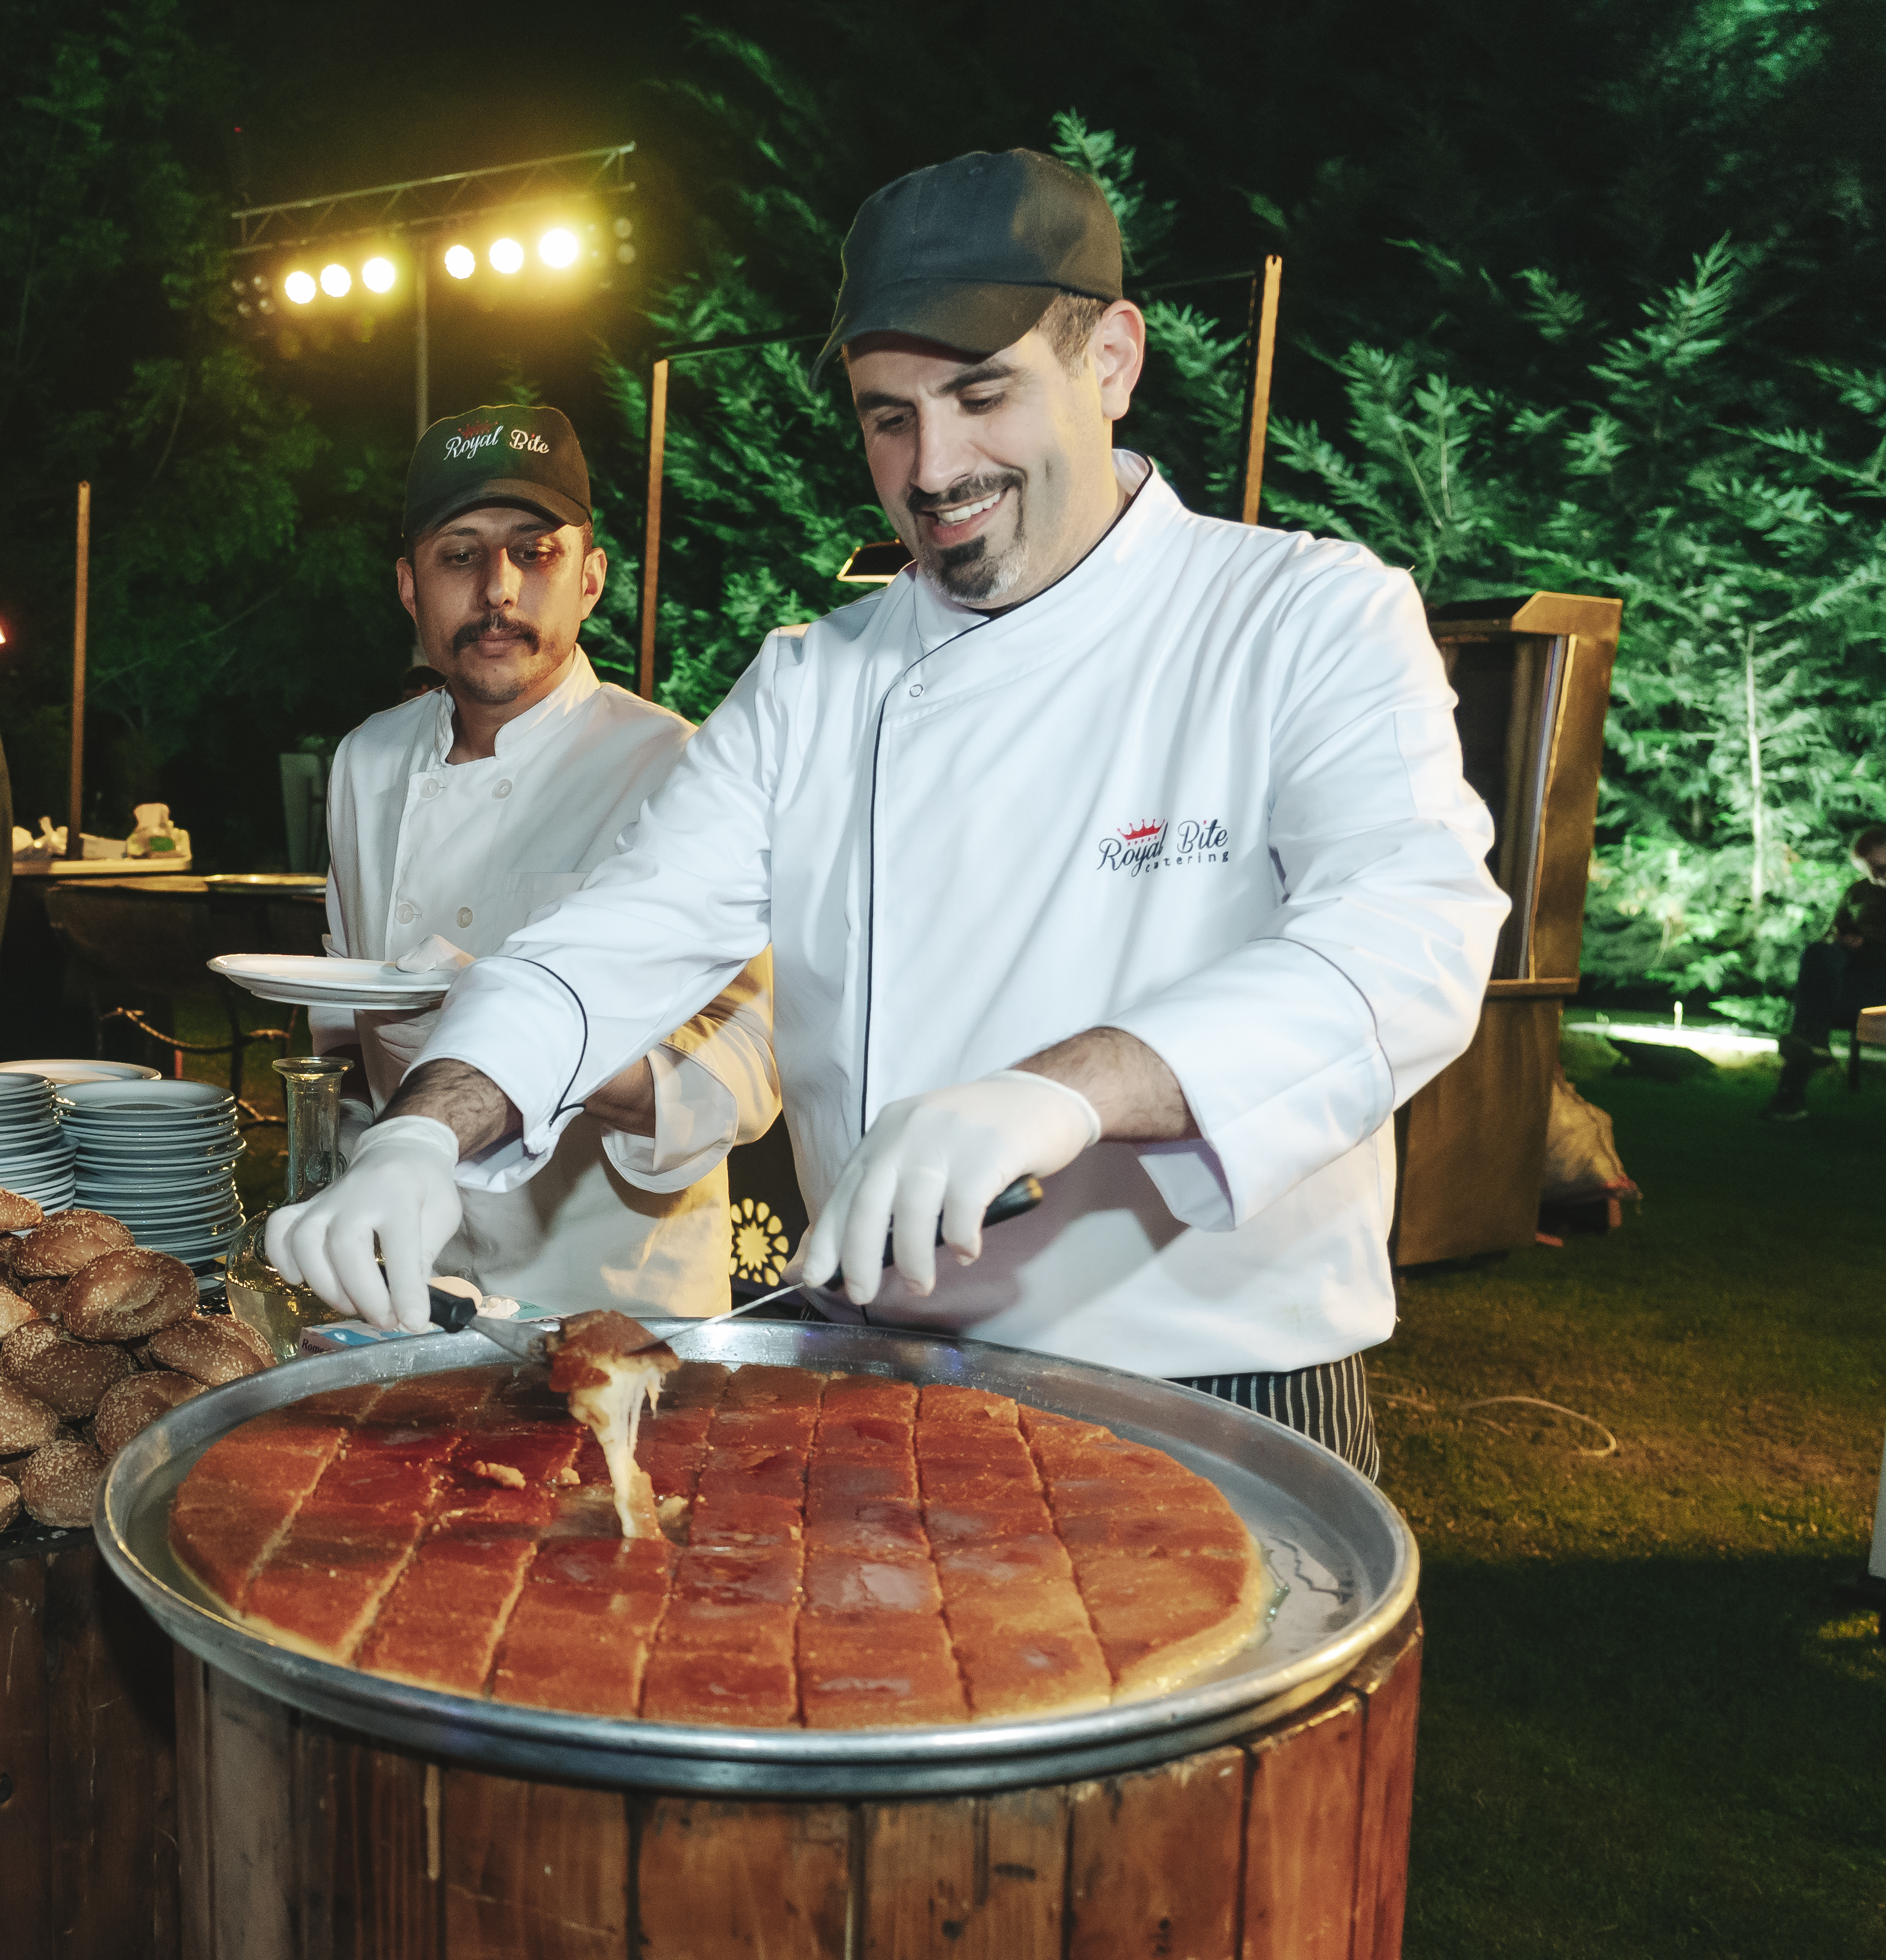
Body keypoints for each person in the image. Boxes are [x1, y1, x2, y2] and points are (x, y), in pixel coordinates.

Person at [272, 151, 1505, 1477]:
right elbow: (612, 944)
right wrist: (423, 1129)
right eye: (887, 416)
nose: (935, 467)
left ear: (1113, 361)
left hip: (1217, 1376)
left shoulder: (1302, 616)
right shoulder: (814, 682)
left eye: (982, 394)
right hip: (884, 1379)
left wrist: (1059, 1093)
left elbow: (1407, 945)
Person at [305, 402, 778, 1314]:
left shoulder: (677, 768)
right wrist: (345, 1163)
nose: (497, 590)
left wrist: (519, 1038)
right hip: (407, 1276)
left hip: (611, 1297)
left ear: (591, 577)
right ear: (410, 586)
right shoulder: (365, 759)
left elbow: (747, 1074)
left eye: (535, 550)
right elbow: (341, 1007)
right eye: (459, 555)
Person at [1764, 823, 1886, 1120]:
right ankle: (1812, 1046)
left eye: (1881, 867)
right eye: (1868, 871)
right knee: (1817, 953)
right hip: (1853, 979)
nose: (1876, 878)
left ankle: (1791, 1094)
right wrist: (1842, 941)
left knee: (1812, 1010)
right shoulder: (1860, 891)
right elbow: (1830, 939)